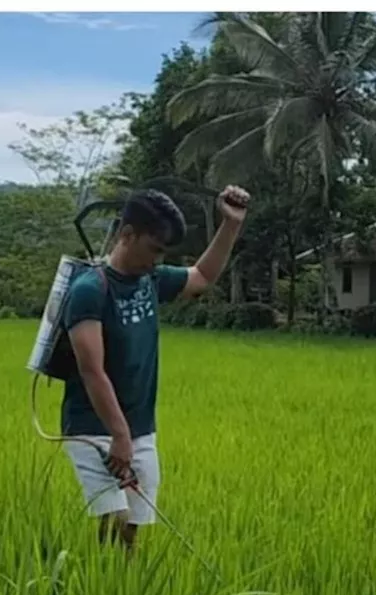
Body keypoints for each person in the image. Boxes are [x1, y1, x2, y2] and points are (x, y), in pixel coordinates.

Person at [62, 186, 250, 552]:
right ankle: (98, 588)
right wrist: (119, 436)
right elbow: (92, 371)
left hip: (140, 427)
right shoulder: (90, 290)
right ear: (126, 235)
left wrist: (231, 225)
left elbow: (202, 277)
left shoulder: (150, 281)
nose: (157, 259)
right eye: (154, 248)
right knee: (113, 518)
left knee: (133, 525)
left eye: (163, 253)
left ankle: (124, 590)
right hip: (92, 427)